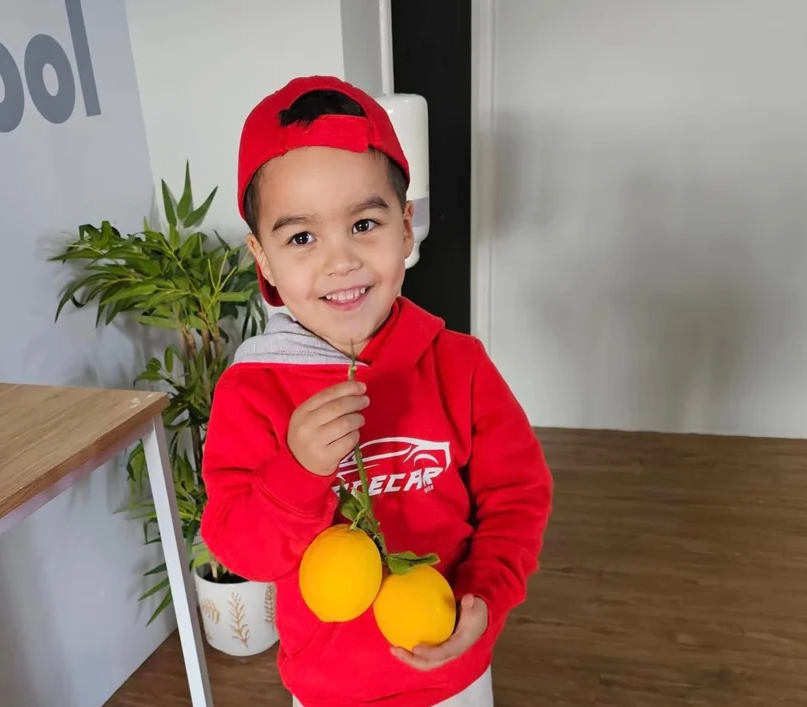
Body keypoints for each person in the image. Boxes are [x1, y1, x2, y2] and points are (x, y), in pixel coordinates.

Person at [199, 75, 553, 707]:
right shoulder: (250, 392)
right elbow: (239, 548)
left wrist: (485, 596)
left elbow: (517, 496)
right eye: (301, 237)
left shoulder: (459, 365)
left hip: (453, 670)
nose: (341, 261)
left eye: (364, 222)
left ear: (406, 227)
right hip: (328, 689)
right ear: (264, 260)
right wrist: (297, 472)